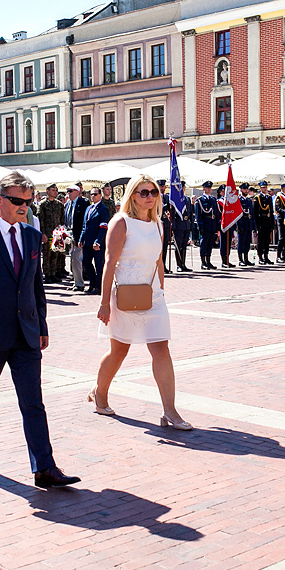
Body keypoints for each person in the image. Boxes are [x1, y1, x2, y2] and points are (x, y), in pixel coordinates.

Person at [0, 172, 80, 488]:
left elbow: (34, 284)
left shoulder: (29, 235)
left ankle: (44, 467)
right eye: (17, 201)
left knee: (33, 401)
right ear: (0, 200)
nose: (24, 206)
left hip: (26, 332)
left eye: (28, 201)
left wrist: (42, 324)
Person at [92, 174, 191, 430]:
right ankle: (100, 394)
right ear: (132, 195)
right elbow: (109, 264)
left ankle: (170, 411)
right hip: (124, 294)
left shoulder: (158, 224)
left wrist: (162, 291)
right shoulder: (121, 222)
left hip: (152, 295)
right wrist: (104, 303)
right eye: (143, 192)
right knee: (119, 351)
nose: (149, 197)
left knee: (161, 349)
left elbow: (159, 262)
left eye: (154, 192)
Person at [80, 187, 110, 295]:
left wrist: (98, 241)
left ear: (100, 195)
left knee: (99, 265)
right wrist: (81, 239)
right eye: (91, 194)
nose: (93, 196)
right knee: (86, 262)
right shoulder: (88, 208)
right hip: (87, 242)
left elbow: (103, 226)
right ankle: (92, 284)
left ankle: (99, 287)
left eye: (95, 194)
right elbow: (84, 225)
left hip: (97, 243)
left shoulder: (103, 209)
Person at [38, 184, 65, 284]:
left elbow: (62, 220)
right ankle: (47, 274)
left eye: (56, 190)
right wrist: (43, 233)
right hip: (47, 233)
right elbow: (41, 220)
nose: (55, 192)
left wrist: (62, 232)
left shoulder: (59, 204)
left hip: (57, 233)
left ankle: (54, 273)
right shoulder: (43, 204)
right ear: (48, 191)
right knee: (47, 255)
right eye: (53, 190)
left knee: (55, 254)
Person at [64, 185, 88, 291]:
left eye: (70, 191)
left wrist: (82, 237)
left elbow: (85, 221)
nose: (68, 193)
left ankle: (79, 283)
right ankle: (76, 281)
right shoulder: (68, 204)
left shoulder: (83, 203)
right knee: (73, 259)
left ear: (77, 192)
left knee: (77, 259)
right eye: (67, 191)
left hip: (79, 236)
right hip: (69, 235)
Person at [195, 181, 220, 270]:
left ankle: (208, 261)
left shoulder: (213, 200)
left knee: (210, 244)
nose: (209, 189)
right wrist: (200, 226)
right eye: (207, 188)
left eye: (210, 188)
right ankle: (203, 262)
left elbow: (216, 214)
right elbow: (198, 215)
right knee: (204, 244)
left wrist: (217, 226)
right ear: (203, 189)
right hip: (205, 225)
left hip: (212, 225)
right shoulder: (200, 200)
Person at [170, 181, 194, 273]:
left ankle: (183, 264)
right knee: (178, 245)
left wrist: (191, 225)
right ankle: (178, 265)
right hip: (179, 225)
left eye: (183, 188)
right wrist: (173, 225)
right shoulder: (175, 200)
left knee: (184, 245)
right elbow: (173, 214)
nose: (182, 189)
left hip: (186, 224)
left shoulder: (187, 199)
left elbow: (190, 213)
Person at [253, 181, 274, 265]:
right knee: (261, 240)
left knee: (267, 240)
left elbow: (271, 211)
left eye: (265, 187)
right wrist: (257, 225)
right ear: (260, 188)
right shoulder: (257, 198)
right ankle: (260, 257)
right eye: (263, 187)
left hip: (267, 221)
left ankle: (266, 256)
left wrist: (272, 223)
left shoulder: (269, 198)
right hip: (261, 220)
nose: (264, 189)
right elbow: (255, 212)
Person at [236, 183, 254, 266]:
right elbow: (237, 214)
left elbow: (251, 213)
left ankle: (246, 258)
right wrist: (239, 225)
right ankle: (240, 259)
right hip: (242, 223)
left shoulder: (248, 200)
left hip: (248, 223)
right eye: (244, 189)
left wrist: (253, 225)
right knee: (241, 242)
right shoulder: (238, 200)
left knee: (247, 242)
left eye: (247, 189)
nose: (246, 191)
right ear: (241, 190)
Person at [273, 182, 285, 263]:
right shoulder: (279, 197)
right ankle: (278, 256)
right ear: (284, 188)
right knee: (281, 238)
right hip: (281, 219)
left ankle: (284, 255)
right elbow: (277, 208)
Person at [158, 180, 173, 272]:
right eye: (160, 186)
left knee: (165, 246)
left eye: (163, 186)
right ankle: (158, 266)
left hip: (166, 224)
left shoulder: (167, 198)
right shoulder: (154, 197)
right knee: (158, 247)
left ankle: (163, 265)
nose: (162, 188)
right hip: (158, 223)